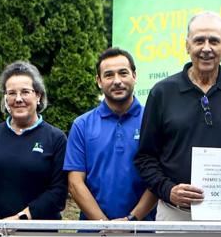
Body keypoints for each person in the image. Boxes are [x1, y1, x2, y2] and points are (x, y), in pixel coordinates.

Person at [135, 11, 221, 221]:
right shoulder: (162, 93)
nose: (206, 48)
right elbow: (145, 157)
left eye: (214, 40)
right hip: (174, 213)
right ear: (187, 45)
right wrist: (168, 190)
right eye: (198, 40)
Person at [65, 48, 157, 221]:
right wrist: (105, 225)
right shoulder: (82, 125)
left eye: (123, 73)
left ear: (134, 76)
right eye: (108, 75)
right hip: (94, 234)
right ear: (99, 81)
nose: (117, 81)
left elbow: (158, 178)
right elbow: (75, 183)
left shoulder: (152, 121)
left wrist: (131, 220)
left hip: (143, 232)